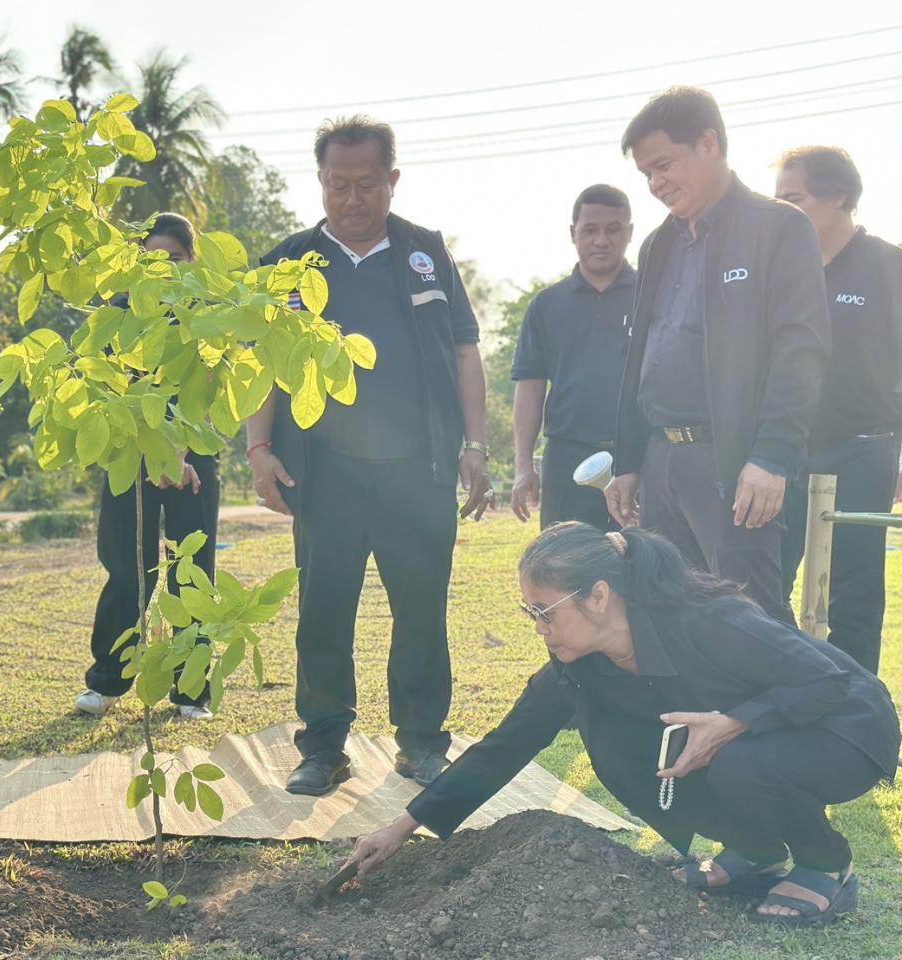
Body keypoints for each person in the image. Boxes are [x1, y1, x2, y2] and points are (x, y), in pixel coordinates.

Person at [351, 522, 899, 927]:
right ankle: (754, 852)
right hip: (766, 739)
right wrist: (401, 827)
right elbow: (504, 746)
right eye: (530, 613)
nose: (538, 627)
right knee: (617, 745)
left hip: (843, 726)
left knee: (734, 757)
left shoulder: (710, 619)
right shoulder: (578, 668)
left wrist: (735, 720)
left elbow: (826, 681)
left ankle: (826, 866)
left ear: (598, 596)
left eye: (545, 610)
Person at [245, 116, 492, 796]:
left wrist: (476, 443)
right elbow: (263, 361)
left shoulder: (425, 253)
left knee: (421, 610)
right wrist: (259, 448)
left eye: (366, 186)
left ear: (393, 180)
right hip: (323, 472)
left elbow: (464, 349)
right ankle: (323, 748)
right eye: (337, 186)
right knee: (323, 611)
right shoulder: (287, 263)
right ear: (320, 182)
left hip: (419, 469)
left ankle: (420, 745)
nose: (352, 200)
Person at [605, 87, 829, 624]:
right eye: (647, 175)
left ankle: (767, 713)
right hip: (662, 462)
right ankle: (689, 714)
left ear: (709, 143)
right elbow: (643, 356)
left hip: (732, 464)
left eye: (664, 166)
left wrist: (771, 457)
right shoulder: (657, 244)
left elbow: (801, 349)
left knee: (752, 621)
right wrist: (629, 460)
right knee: (669, 616)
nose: (656, 185)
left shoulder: (778, 227)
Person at [75, 214, 218, 720]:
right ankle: (108, 681)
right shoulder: (118, 312)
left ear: (192, 261)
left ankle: (191, 690)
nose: (163, 268)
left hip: (192, 460)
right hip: (127, 457)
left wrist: (176, 453)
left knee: (193, 573)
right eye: (152, 259)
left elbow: (206, 390)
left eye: (174, 258)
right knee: (126, 567)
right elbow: (104, 386)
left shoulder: (205, 314)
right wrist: (152, 451)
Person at [774, 147, 902, 676]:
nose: (782, 211)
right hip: (782, 454)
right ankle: (779, 697)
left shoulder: (889, 266)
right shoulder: (780, 271)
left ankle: (854, 715)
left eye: (793, 199)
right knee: (763, 587)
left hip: (864, 452)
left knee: (854, 593)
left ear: (838, 196)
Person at [511, 184, 635, 529]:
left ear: (629, 233)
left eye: (613, 230)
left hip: (635, 459)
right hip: (567, 461)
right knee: (563, 572)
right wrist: (524, 466)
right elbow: (530, 389)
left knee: (637, 569)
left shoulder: (652, 297)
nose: (601, 240)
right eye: (590, 230)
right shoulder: (547, 305)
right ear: (573, 233)